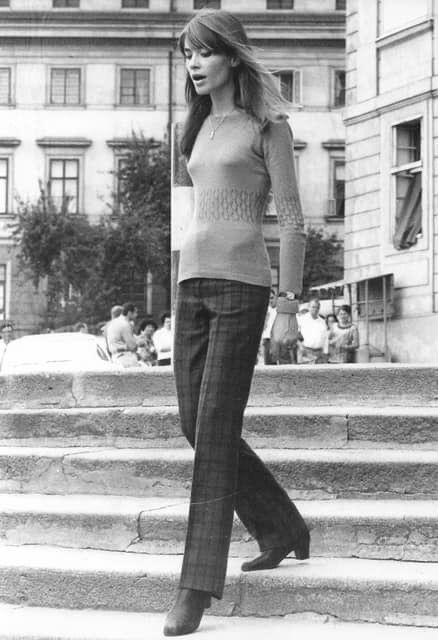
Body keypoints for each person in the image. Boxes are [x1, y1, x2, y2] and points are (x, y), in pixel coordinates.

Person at [164, 10, 309, 637]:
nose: (194, 64)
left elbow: (293, 221)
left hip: (244, 288)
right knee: (195, 424)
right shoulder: (189, 126)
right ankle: (282, 525)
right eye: (188, 54)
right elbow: (188, 212)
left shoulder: (268, 125)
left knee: (215, 432)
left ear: (232, 57)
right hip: (190, 285)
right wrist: (174, 284)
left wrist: (288, 306)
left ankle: (195, 587)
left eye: (204, 53)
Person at [105, 302, 139, 367]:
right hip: (126, 358)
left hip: (115, 358)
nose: (136, 315)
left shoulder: (112, 323)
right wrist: (138, 343)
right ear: (129, 313)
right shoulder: (125, 324)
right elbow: (132, 346)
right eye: (135, 313)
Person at [296, 297, 328, 364]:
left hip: (319, 354)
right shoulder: (301, 319)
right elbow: (294, 334)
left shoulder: (322, 321)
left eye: (317, 307)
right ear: (309, 307)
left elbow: (325, 339)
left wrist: (325, 353)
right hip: (306, 353)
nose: (315, 309)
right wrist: (300, 346)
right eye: (313, 307)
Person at [260, 288, 277, 364]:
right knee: (268, 365)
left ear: (276, 297)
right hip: (266, 340)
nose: (270, 301)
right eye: (268, 299)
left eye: (272, 298)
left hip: (278, 341)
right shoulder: (264, 311)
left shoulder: (280, 311)